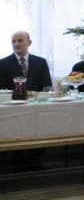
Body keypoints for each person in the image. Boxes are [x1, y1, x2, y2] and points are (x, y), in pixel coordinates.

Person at [0, 31, 52, 171]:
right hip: (14, 109)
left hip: (37, 108)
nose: (16, 44)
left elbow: (47, 85)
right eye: (13, 41)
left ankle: (34, 161)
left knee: (46, 127)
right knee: (14, 130)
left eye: (20, 40)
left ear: (29, 42)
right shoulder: (3, 63)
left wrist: (35, 96)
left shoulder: (41, 62)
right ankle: (19, 163)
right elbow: (2, 88)